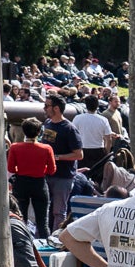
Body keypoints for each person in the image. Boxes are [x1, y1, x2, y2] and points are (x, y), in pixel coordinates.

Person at [8, 118, 59, 238]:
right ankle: (45, 248)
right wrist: (40, 170)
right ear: (38, 132)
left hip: (21, 183)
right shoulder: (46, 149)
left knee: (21, 219)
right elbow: (52, 170)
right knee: (43, 223)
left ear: (24, 132)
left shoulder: (15, 147)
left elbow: (11, 168)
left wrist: (22, 170)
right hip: (39, 184)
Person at [43, 94, 85, 234]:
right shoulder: (47, 124)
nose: (44, 108)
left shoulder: (69, 128)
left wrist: (57, 157)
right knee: (45, 208)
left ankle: (55, 238)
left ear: (56, 108)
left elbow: (79, 155)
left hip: (63, 176)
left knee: (58, 211)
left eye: (47, 106)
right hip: (47, 173)